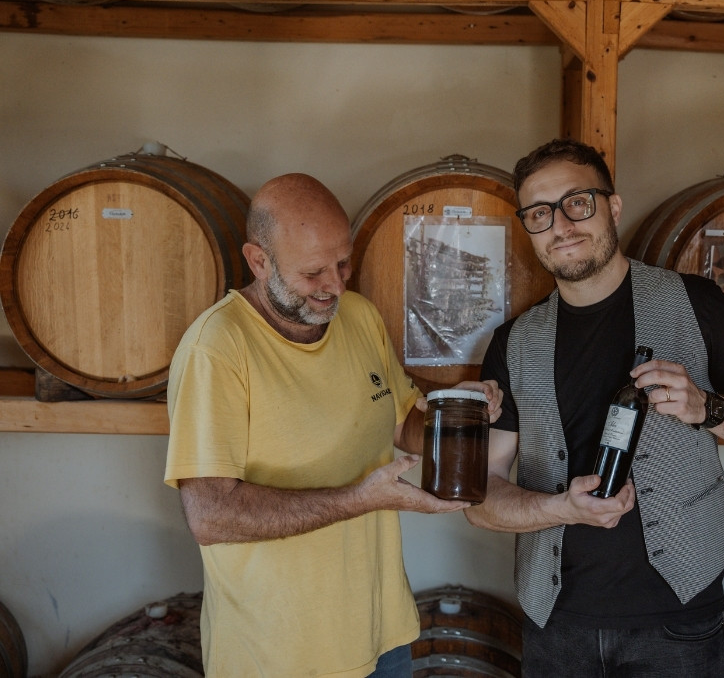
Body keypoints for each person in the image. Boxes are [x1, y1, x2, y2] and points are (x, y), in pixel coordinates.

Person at [464, 139, 724, 677]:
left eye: (577, 202)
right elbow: (480, 498)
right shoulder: (514, 341)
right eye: (539, 213)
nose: (561, 225)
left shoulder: (696, 304)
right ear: (529, 228)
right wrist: (561, 509)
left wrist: (708, 408)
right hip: (555, 626)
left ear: (613, 207)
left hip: (679, 622)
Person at [163, 173, 501, 677]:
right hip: (280, 656)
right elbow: (210, 516)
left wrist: (458, 414)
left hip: (382, 635)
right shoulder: (215, 349)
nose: (336, 285)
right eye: (313, 272)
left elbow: (404, 424)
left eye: (343, 263)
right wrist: (359, 499)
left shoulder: (359, 316)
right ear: (259, 261)